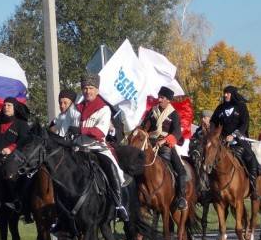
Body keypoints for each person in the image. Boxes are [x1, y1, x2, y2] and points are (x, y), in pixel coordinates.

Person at [72, 73, 129, 221]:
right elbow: (65, 126)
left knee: (112, 169)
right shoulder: (75, 109)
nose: (87, 91)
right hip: (78, 149)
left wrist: (80, 130)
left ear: (97, 90)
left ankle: (118, 206)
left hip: (97, 149)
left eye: (91, 88)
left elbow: (99, 132)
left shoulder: (104, 109)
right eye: (85, 88)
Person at [140, 86, 188, 210]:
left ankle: (181, 198)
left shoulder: (174, 115)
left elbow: (177, 132)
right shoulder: (152, 111)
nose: (159, 100)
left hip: (165, 146)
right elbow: (144, 126)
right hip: (150, 144)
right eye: (159, 97)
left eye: (162, 97)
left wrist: (165, 140)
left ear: (168, 100)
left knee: (181, 170)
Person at [209, 85, 261, 199]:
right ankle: (209, 188)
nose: (225, 95)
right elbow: (213, 122)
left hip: (239, 142)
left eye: (227, 93)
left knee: (250, 158)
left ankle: (254, 187)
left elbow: (244, 124)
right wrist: (211, 131)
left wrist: (233, 135)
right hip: (222, 143)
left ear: (233, 94)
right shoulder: (220, 108)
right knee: (210, 158)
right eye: (224, 93)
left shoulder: (241, 107)